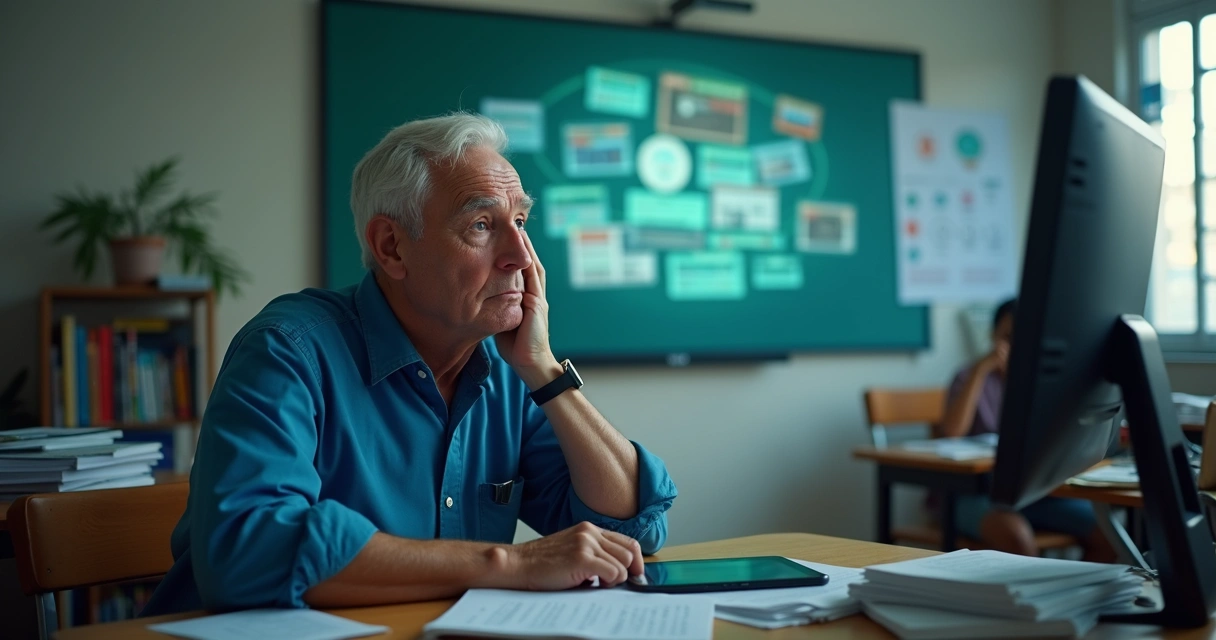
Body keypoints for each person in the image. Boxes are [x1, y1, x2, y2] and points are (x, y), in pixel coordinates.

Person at [143, 113, 677, 614]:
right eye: (482, 225)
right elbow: (248, 551)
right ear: (392, 246)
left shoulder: (505, 370)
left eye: (520, 220)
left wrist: (542, 368)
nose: (521, 254)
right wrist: (509, 562)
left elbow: (628, 525)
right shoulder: (286, 350)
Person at [940, 298, 1114, 562]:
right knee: (1017, 537)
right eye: (1007, 337)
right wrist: (981, 370)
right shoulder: (969, 376)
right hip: (973, 494)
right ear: (993, 336)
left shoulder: (1043, 382)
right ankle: (1029, 602)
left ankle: (1074, 600)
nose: (1014, 346)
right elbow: (952, 432)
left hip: (1032, 493)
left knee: (1111, 534)